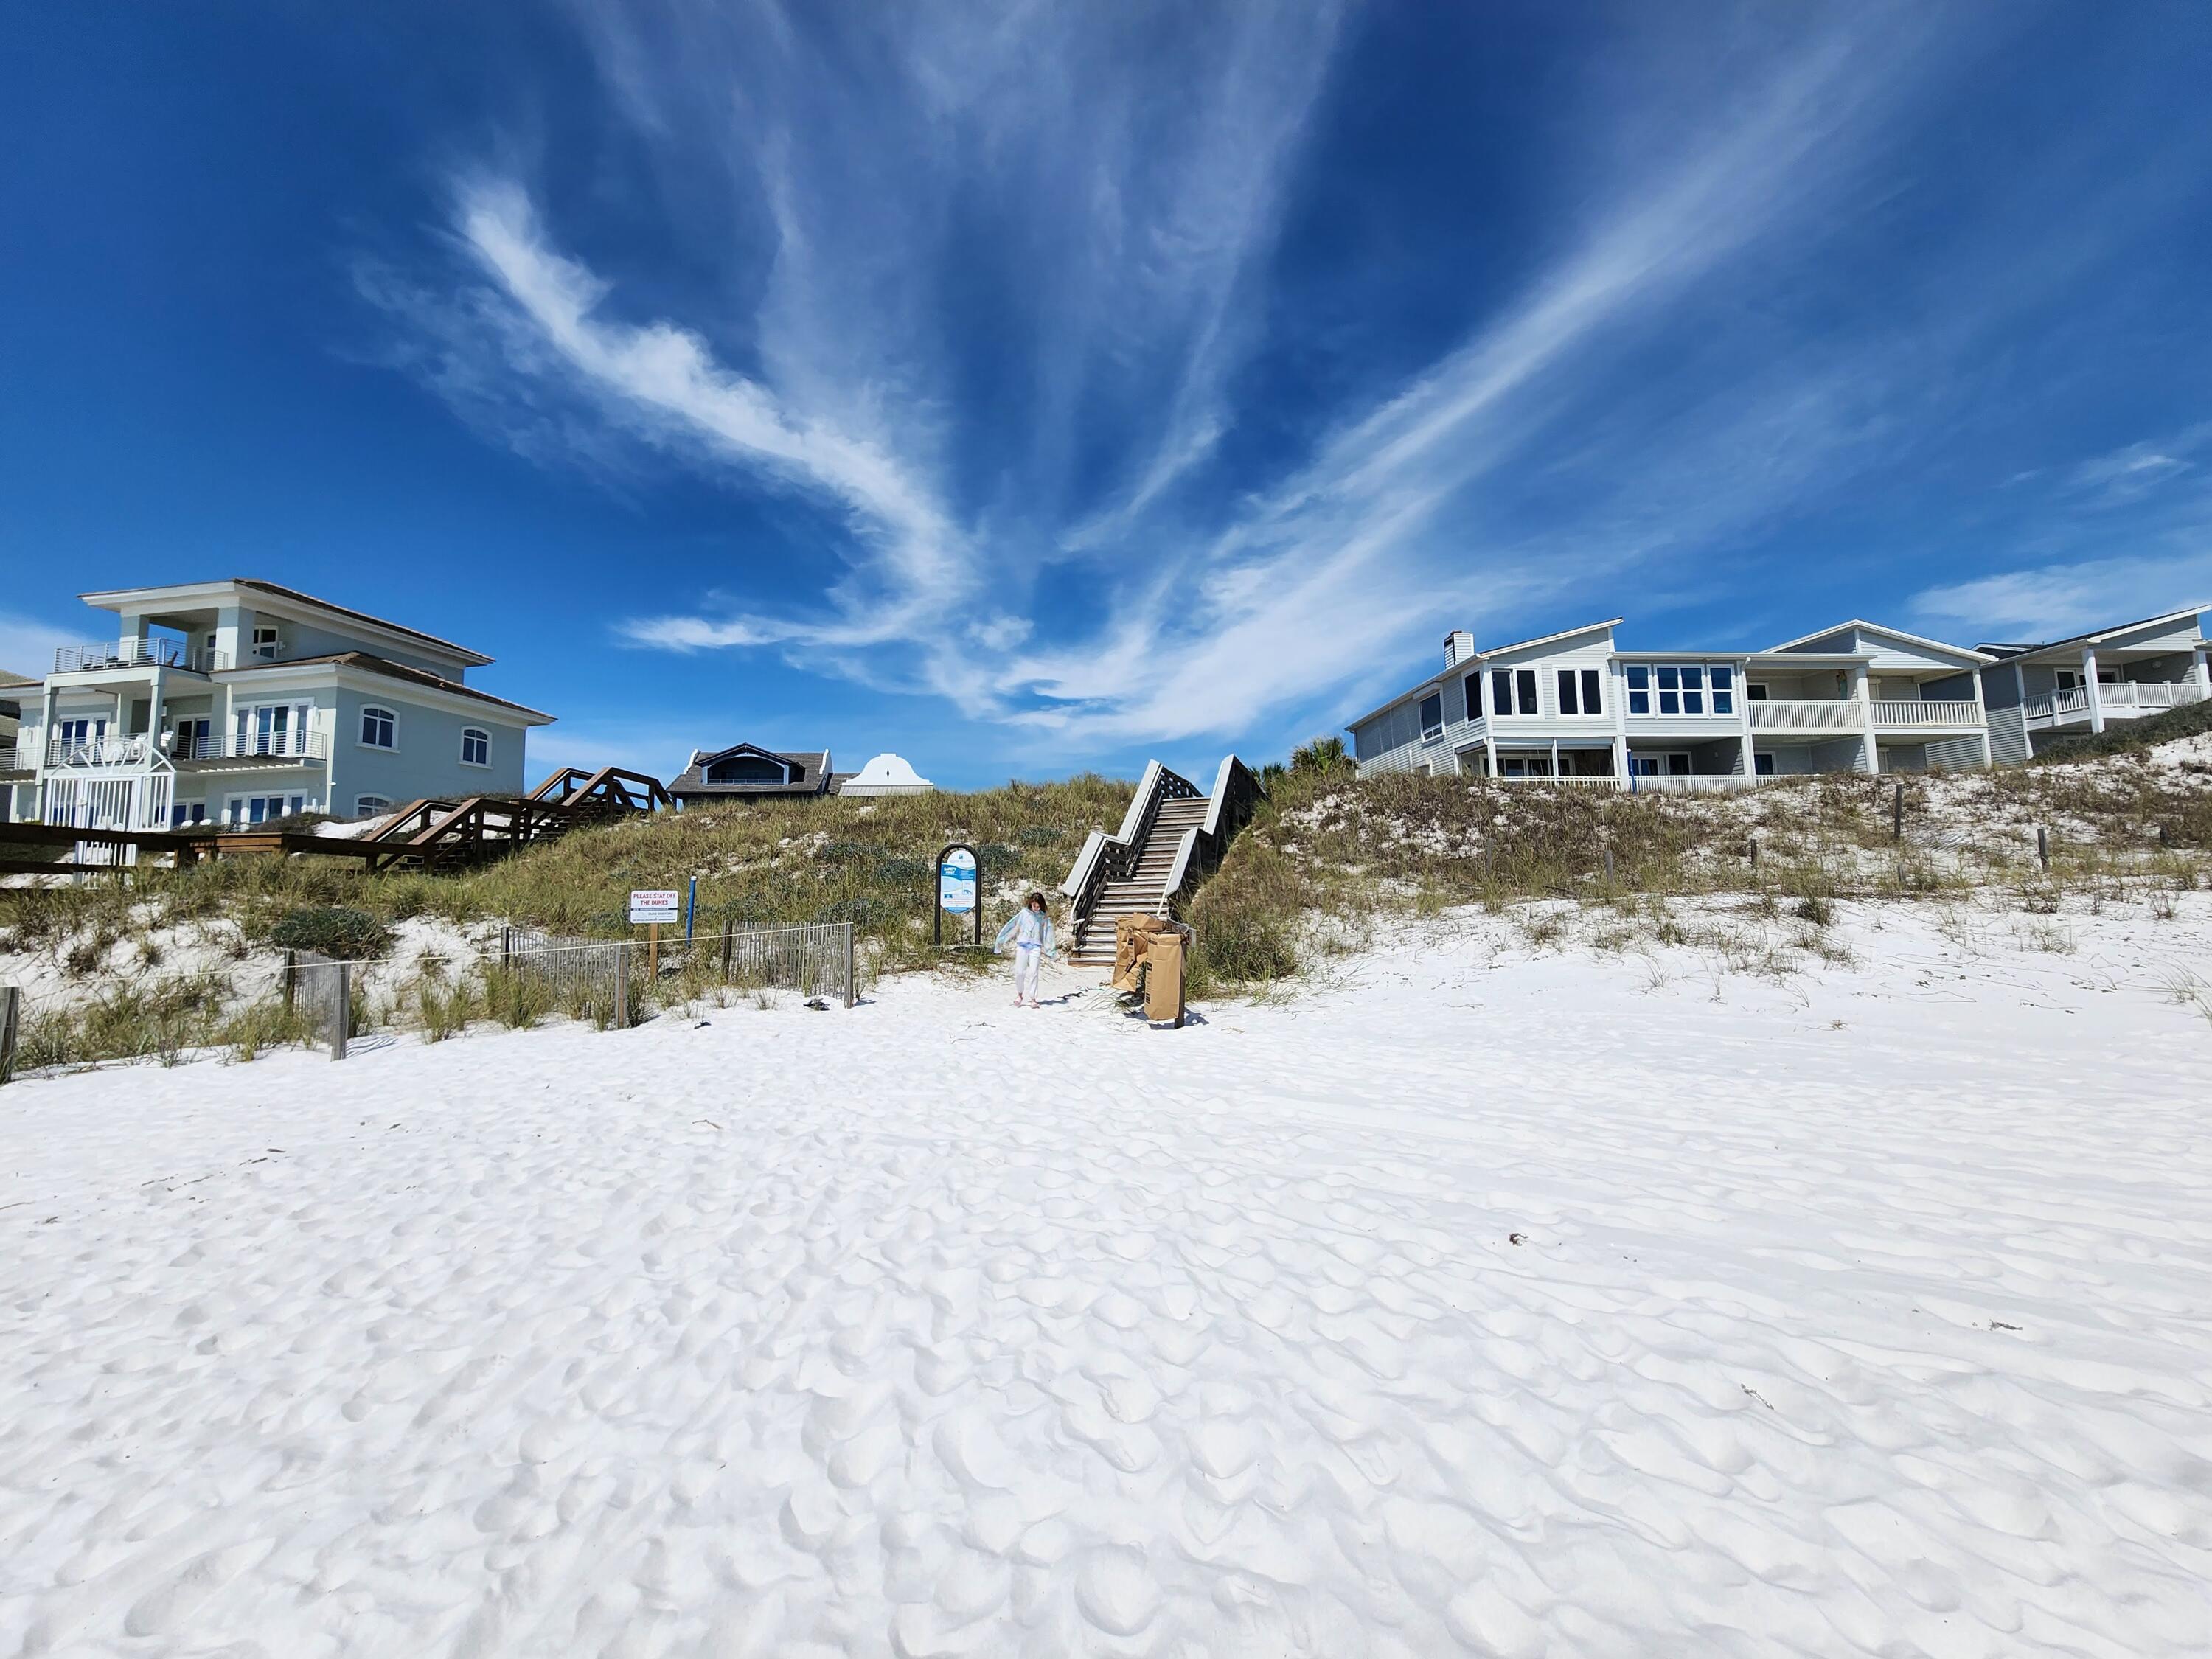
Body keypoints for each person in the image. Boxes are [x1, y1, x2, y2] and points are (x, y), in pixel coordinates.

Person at [992, 891, 1057, 1007]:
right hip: (1022, 945)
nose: (1037, 908)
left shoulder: (1043, 917)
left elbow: (1048, 935)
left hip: (1036, 947)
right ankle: (1020, 995)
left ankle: (1033, 998)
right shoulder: (1024, 913)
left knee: (1034, 972)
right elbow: (1011, 927)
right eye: (1035, 905)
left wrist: (1051, 951)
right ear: (1031, 903)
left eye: (1039, 906)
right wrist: (1000, 942)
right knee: (1019, 972)